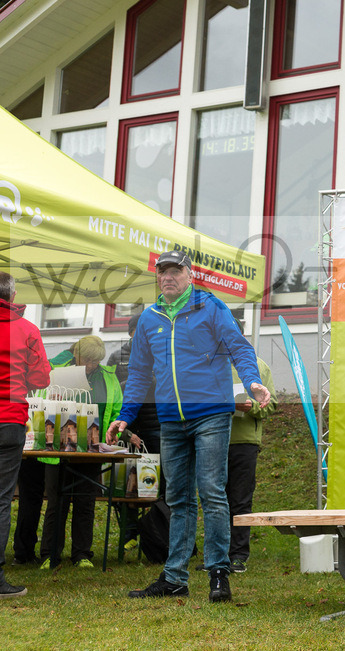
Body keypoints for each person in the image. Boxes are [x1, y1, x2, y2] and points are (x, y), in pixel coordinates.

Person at [106, 250, 271, 603]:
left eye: (174, 271)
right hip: (170, 420)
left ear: (189, 274)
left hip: (212, 413)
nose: (167, 276)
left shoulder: (210, 307)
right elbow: (137, 373)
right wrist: (126, 414)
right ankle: (174, 577)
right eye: (162, 271)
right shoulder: (150, 319)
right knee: (177, 498)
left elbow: (238, 347)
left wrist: (253, 381)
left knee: (211, 492)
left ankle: (218, 574)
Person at [39, 335, 122, 568]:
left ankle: (82, 554)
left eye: (95, 361)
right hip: (58, 449)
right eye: (86, 359)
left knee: (85, 501)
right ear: (75, 355)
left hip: (92, 448)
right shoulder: (57, 370)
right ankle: (49, 555)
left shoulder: (108, 377)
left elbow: (116, 408)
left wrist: (114, 430)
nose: (90, 365)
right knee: (56, 503)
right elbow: (41, 402)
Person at [0, 272, 52, 597]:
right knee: (2, 500)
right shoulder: (28, 330)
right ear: (14, 293)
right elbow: (42, 378)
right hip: (10, 421)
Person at [107, 311, 160, 551]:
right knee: (124, 480)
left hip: (156, 425)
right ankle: (129, 532)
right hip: (126, 428)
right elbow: (112, 392)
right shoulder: (117, 356)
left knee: (158, 481)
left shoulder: (160, 351)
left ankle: (155, 529)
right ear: (131, 332)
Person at [226, 354, 277, 573]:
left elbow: (271, 404)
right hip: (212, 439)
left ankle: (238, 556)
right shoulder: (208, 362)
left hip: (244, 442)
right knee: (215, 501)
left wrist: (252, 407)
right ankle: (217, 555)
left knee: (240, 501)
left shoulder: (259, 366)